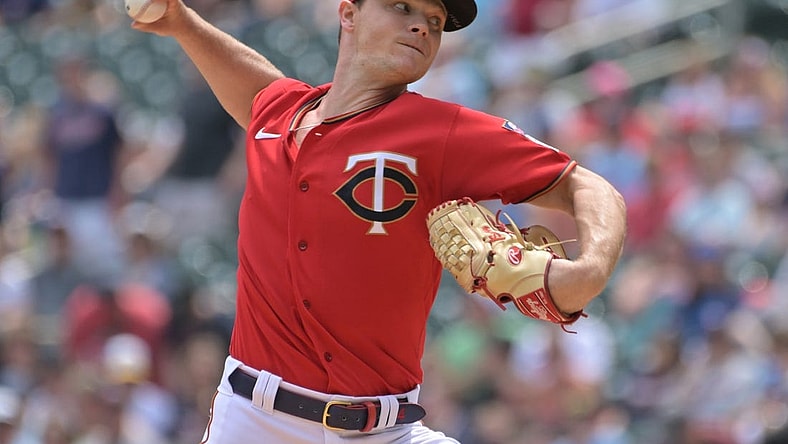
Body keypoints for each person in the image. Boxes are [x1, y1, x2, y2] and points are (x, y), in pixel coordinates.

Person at [131, 0, 627, 442]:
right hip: (253, 423)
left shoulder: (443, 131)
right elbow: (257, 87)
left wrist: (590, 271)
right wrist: (180, 21)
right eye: (402, 8)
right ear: (348, 14)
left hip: (385, 430)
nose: (422, 28)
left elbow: (589, 186)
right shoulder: (279, 117)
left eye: (434, 21)